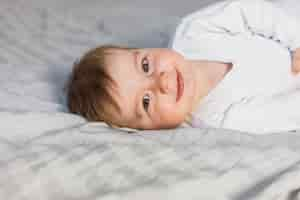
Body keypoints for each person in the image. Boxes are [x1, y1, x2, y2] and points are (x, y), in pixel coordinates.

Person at [66, 0, 300, 134]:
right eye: (146, 102)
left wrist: (296, 40)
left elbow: (252, 11)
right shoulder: (219, 120)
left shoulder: (194, 31)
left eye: (146, 65)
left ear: (144, 49)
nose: (163, 81)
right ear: (148, 130)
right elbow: (289, 112)